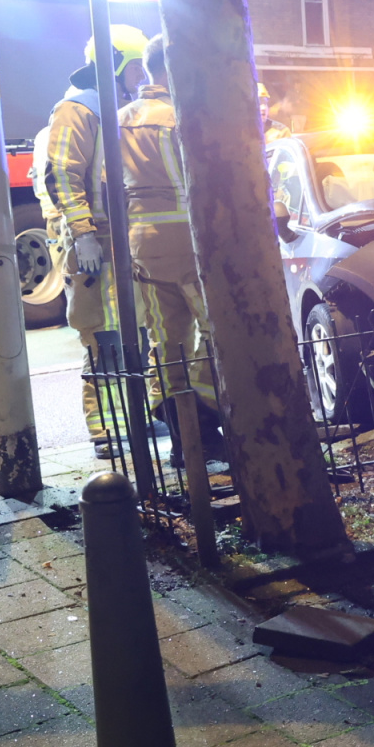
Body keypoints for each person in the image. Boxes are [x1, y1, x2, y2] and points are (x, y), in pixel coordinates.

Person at [34, 24, 150, 458]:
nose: (141, 78)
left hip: (122, 241)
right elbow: (63, 174)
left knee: (134, 332)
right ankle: (108, 431)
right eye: (135, 68)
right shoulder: (77, 110)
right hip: (96, 244)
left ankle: (134, 420)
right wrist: (83, 234)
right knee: (104, 336)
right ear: (113, 65)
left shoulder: (119, 109)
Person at [117, 33, 223, 459]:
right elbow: (208, 182)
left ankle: (184, 441)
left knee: (166, 342)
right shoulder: (182, 116)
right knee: (217, 332)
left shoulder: (119, 118)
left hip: (142, 246)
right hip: (189, 243)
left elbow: (107, 186)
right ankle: (202, 419)